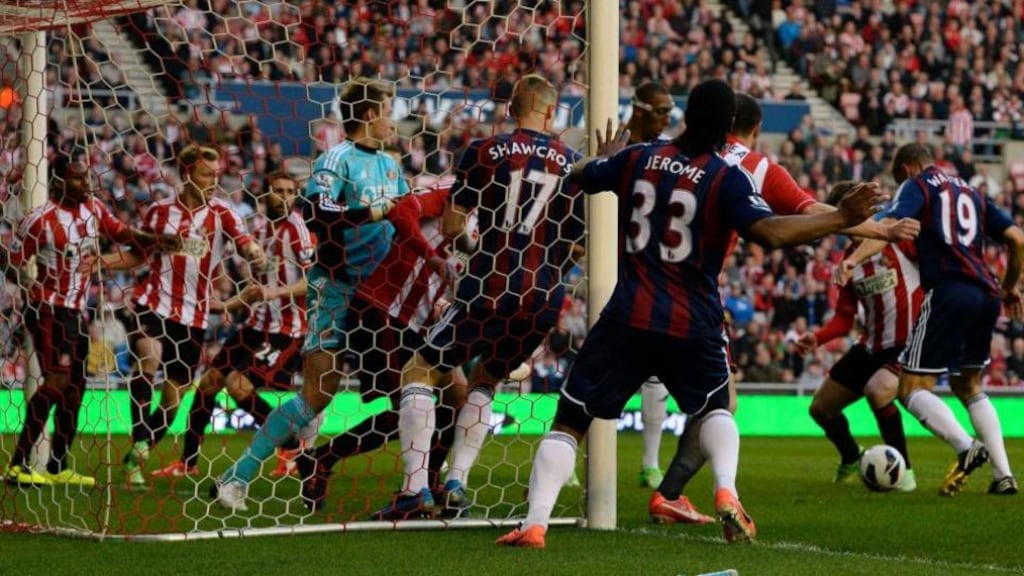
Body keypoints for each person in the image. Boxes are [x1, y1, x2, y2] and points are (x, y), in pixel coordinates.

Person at [496, 79, 887, 548]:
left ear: (684, 116)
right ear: (727, 129)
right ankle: (727, 491)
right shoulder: (727, 176)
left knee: (571, 421)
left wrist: (604, 157)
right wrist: (841, 218)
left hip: (628, 316)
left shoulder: (636, 158)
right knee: (715, 407)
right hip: (693, 321)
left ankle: (535, 524)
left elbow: (578, 173)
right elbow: (771, 233)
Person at [648, 93, 920, 525]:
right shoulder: (756, 167)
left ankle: (574, 496)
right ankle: (689, 493)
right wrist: (883, 228)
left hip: (638, 286)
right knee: (721, 405)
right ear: (755, 129)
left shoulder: (670, 150)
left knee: (593, 399)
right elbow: (817, 213)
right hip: (696, 294)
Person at [370, 74, 584, 521]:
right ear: (551, 111)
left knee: (420, 369)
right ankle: (456, 483)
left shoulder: (484, 152)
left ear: (511, 109)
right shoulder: (573, 164)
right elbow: (578, 244)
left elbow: (451, 227)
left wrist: (470, 252)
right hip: (543, 296)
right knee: (487, 380)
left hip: (489, 283)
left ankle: (414, 490)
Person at [214, 77, 409, 511]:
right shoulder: (335, 160)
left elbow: (405, 223)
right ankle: (236, 478)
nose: (393, 119)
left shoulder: (392, 168)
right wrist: (374, 211)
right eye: (389, 109)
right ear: (372, 113)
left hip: (379, 298)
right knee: (317, 395)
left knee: (408, 398)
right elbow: (317, 212)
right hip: (337, 291)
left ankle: (347, 466)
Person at [838, 143, 1023, 496]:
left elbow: (890, 224)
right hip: (986, 295)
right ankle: (1004, 476)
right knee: (969, 386)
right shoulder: (973, 191)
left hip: (949, 290)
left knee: (910, 389)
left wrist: (853, 259)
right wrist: (1010, 286)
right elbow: (1017, 239)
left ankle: (966, 447)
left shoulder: (918, 185)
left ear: (907, 169)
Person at [295, 180, 467, 513]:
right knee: (406, 407)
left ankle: (428, 485)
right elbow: (401, 212)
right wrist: (430, 258)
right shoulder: (451, 193)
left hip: (423, 321)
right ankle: (321, 461)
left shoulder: (499, 219)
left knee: (456, 400)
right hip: (384, 309)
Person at [4, 153, 175, 487]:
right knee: (55, 383)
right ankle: (18, 464)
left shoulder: (94, 209)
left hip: (77, 311)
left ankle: (58, 466)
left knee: (76, 390)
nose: (87, 183)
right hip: (50, 309)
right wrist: (28, 286)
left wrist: (157, 241)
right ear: (58, 181)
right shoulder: (40, 220)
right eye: (78, 178)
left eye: (87, 176)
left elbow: (123, 234)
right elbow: (13, 261)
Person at [105, 144, 265, 486]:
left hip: (194, 315)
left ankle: (140, 448)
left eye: (217, 175)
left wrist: (255, 253)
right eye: (207, 174)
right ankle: (139, 442)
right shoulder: (159, 212)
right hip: (154, 302)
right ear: (187, 172)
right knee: (149, 356)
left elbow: (244, 241)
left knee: (173, 400)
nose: (213, 181)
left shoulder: (222, 213)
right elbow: (138, 256)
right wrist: (102, 262)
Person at [150, 172, 314, 478]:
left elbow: (314, 281)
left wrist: (276, 292)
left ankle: (293, 448)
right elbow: (258, 289)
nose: (284, 196)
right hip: (256, 323)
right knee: (209, 382)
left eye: (290, 191)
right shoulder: (262, 231)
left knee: (238, 385)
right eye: (277, 190)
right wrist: (226, 306)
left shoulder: (298, 231)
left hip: (287, 329)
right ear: (264, 193)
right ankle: (188, 462)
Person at [795, 181, 920, 491]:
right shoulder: (848, 264)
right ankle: (851, 457)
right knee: (821, 409)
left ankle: (904, 471)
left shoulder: (896, 241)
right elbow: (843, 318)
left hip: (908, 342)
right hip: (872, 344)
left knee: (878, 392)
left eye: (842, 216)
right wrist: (818, 337)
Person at [626, 80, 675, 489]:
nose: (667, 120)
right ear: (639, 109)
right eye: (661, 112)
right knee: (584, 364)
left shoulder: (662, 156)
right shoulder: (616, 149)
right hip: (599, 270)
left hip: (643, 271)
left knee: (656, 372)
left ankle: (650, 462)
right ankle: (570, 457)